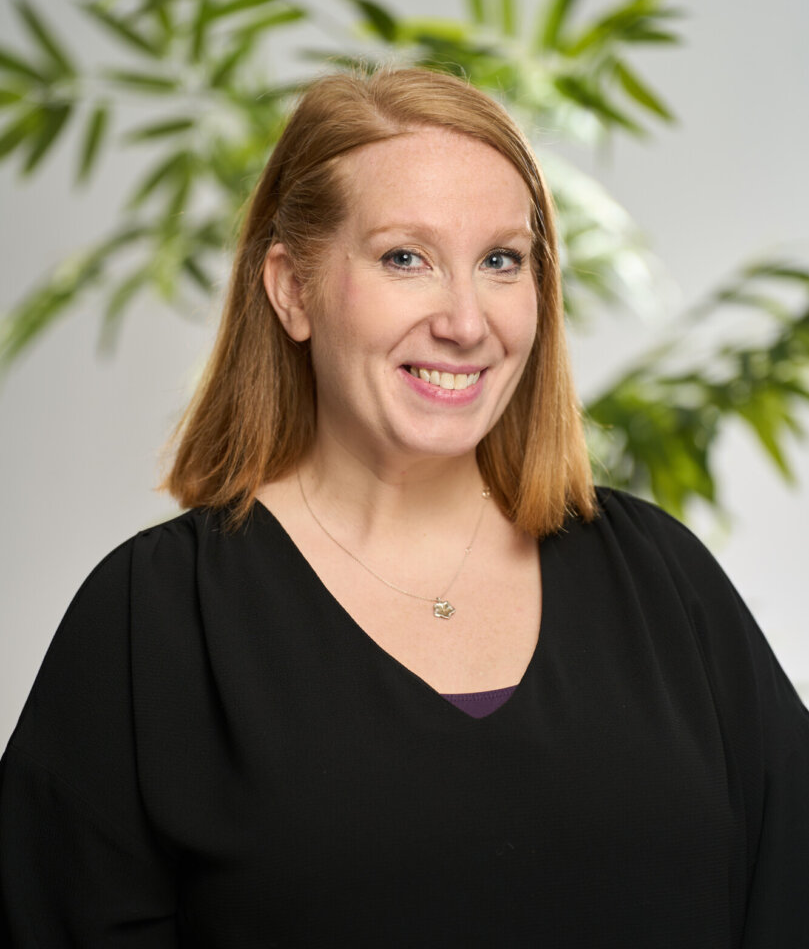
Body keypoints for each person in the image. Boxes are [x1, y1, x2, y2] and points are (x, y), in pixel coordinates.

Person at [1, 68, 807, 948]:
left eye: (501, 260)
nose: (465, 321)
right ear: (292, 290)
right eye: (404, 258)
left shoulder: (659, 579)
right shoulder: (154, 621)